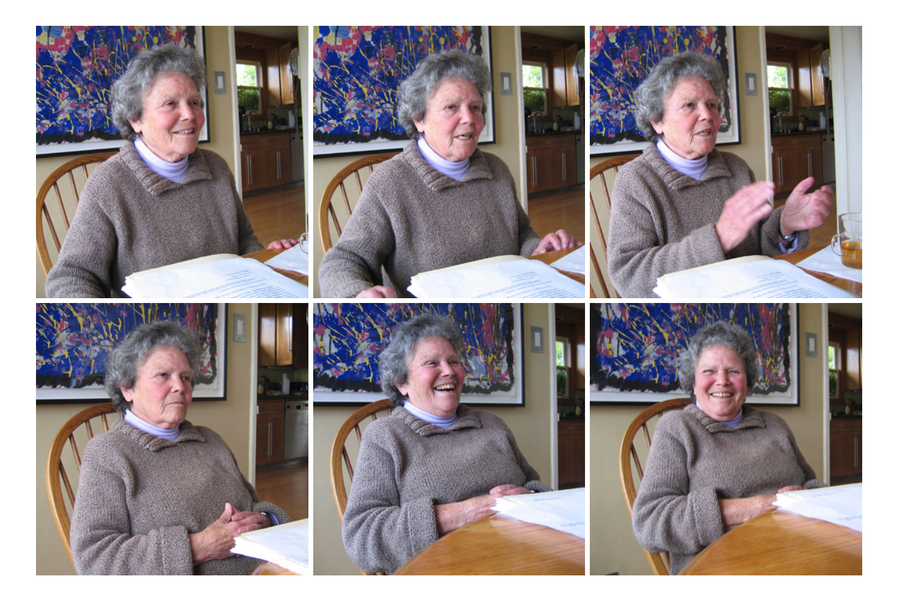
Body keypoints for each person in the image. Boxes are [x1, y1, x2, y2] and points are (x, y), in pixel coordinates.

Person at [318, 50, 581, 298]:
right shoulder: (390, 182)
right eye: (451, 107)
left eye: (475, 107)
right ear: (419, 119)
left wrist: (538, 248)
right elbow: (344, 260)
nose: (469, 118)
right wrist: (358, 293)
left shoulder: (497, 170)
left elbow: (521, 233)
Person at [45, 44, 298, 298]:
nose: (189, 114)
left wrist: (264, 259)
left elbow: (244, 239)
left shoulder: (217, 168)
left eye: (195, 102)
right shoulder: (109, 185)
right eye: (170, 104)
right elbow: (71, 276)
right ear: (135, 119)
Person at [69, 321, 289, 575]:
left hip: (268, 572)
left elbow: (253, 503)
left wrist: (265, 520)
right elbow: (93, 557)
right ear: (127, 388)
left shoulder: (211, 440)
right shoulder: (108, 453)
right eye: (163, 375)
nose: (180, 386)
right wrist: (198, 547)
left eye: (185, 377)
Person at [607, 52, 833, 297]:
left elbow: (760, 248)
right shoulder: (635, 181)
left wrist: (785, 226)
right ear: (656, 121)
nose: (707, 115)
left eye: (711, 105)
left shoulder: (737, 168)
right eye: (689, 105)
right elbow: (629, 275)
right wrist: (719, 238)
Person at [341, 314, 551, 573]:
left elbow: (538, 488)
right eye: (432, 363)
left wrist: (532, 496)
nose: (449, 371)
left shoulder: (493, 425)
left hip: (522, 559)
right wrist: (463, 513)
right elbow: (361, 536)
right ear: (402, 383)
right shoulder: (385, 436)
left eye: (454, 361)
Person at [631, 321, 825, 574]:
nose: (722, 381)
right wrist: (753, 508)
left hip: (795, 553)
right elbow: (650, 521)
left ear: (748, 382)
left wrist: (805, 497)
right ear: (692, 381)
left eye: (733, 371)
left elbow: (814, 485)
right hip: (722, 568)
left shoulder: (775, 425)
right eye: (709, 371)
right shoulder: (677, 427)